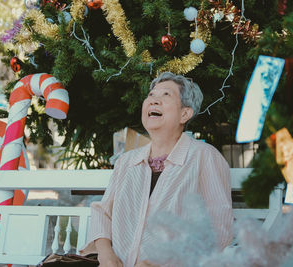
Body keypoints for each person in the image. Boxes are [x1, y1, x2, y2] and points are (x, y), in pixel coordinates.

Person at [80, 72, 233, 267]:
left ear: (185, 113)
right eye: (151, 95)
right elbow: (103, 213)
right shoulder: (126, 162)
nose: (154, 101)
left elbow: (219, 229)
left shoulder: (204, 157)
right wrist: (106, 255)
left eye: (166, 95)